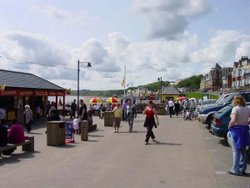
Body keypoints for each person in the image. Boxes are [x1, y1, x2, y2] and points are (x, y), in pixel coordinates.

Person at [228, 95, 250, 176]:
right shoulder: (247, 108)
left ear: (235, 101)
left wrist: (229, 126)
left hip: (237, 130)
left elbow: (233, 120)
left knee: (236, 151)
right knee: (243, 151)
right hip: (245, 129)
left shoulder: (235, 108)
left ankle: (235, 170)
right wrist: (247, 122)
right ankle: (242, 169)